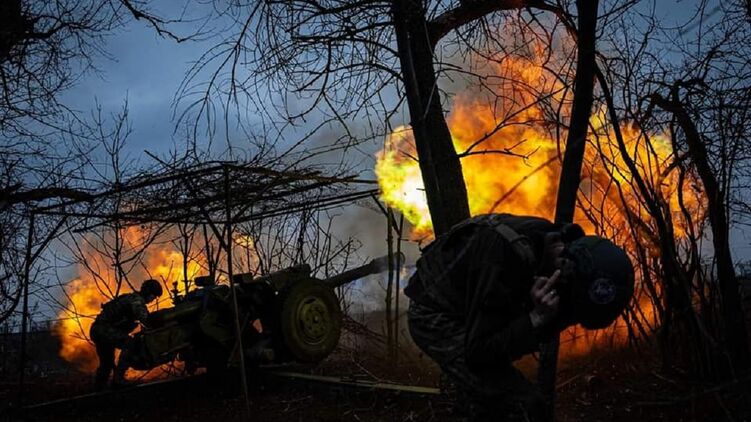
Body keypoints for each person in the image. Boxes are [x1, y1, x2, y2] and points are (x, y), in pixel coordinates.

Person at [405, 214, 634, 421]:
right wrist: (534, 319)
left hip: (476, 312)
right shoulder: (506, 255)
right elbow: (480, 352)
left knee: (499, 395)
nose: (568, 317)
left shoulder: (558, 248)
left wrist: (536, 321)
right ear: (564, 270)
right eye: (570, 304)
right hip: (435, 313)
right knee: (520, 405)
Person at [90, 279, 163, 390]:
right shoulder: (136, 301)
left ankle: (99, 389)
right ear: (148, 293)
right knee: (130, 343)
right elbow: (145, 320)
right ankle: (118, 379)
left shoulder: (130, 298)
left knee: (107, 363)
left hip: (98, 330)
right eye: (153, 296)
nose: (153, 300)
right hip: (104, 330)